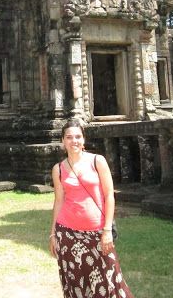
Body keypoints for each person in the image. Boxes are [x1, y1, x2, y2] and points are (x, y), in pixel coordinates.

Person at [49, 119, 135, 298]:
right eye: (69, 137)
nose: (74, 141)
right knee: (76, 281)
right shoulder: (58, 169)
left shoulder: (97, 161)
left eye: (78, 136)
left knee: (108, 280)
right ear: (63, 141)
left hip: (97, 231)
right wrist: (53, 234)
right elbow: (59, 201)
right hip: (67, 233)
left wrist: (107, 230)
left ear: (84, 140)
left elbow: (109, 195)